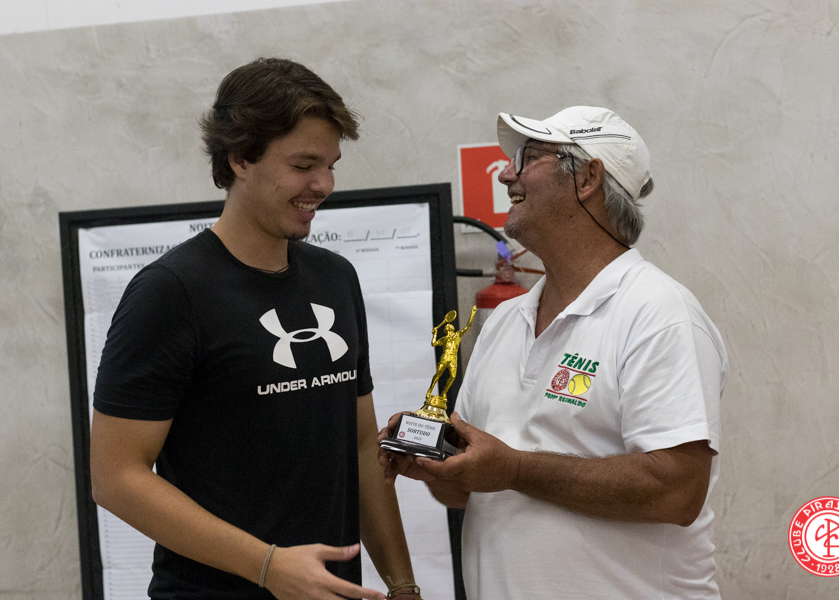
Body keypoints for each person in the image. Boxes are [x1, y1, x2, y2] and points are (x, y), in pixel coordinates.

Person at [91, 58, 422, 600]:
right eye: (304, 165)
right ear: (240, 157)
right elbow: (116, 477)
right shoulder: (171, 292)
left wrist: (403, 585)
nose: (324, 185)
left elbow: (362, 445)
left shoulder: (336, 278)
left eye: (331, 166)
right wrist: (267, 566)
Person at [380, 106, 728, 599]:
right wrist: (438, 465)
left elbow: (677, 490)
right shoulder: (505, 321)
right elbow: (471, 490)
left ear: (587, 178)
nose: (506, 174)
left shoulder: (659, 313)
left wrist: (515, 468)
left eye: (528, 158)